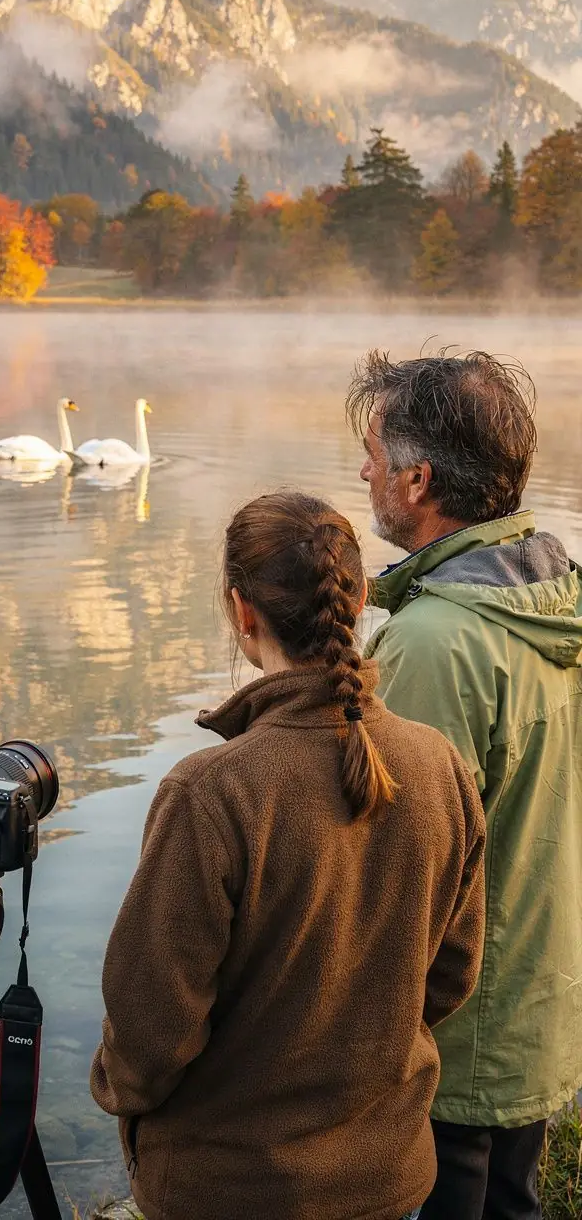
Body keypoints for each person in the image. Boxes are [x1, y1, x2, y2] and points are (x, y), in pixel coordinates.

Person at [90, 491, 486, 1220]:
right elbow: (450, 977)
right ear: (362, 597)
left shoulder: (211, 793)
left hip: (231, 1191)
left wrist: (125, 1101)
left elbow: (150, 1028)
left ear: (242, 613)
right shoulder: (440, 766)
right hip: (386, 1179)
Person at [347, 349, 582, 1220]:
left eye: (374, 453)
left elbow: (397, 865)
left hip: (457, 1036)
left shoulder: (437, 642)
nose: (362, 470)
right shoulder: (550, 590)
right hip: (536, 1005)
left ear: (417, 479)